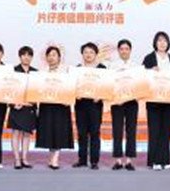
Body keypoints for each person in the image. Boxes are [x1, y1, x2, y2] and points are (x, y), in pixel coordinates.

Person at [142, 31, 170, 170]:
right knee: (154, 131)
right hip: (154, 101)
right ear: (155, 43)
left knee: (166, 131)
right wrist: (150, 70)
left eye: (164, 40)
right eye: (159, 40)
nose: (162, 43)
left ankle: (165, 160)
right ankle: (154, 161)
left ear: (168, 43)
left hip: (169, 100)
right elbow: (142, 76)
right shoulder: (149, 58)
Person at [35, 46, 74, 169]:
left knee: (59, 131)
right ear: (46, 57)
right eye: (49, 55)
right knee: (49, 131)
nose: (51, 57)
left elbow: (70, 88)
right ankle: (51, 157)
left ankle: (55, 159)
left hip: (61, 106)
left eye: (54, 55)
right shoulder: (42, 72)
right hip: (46, 105)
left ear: (59, 57)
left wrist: (68, 99)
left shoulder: (66, 72)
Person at [73, 42, 106, 170]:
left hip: (95, 105)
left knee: (94, 133)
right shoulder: (77, 69)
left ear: (96, 54)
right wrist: (75, 93)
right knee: (81, 133)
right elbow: (72, 86)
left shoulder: (102, 69)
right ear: (82, 54)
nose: (88, 55)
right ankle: (82, 159)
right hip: (80, 104)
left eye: (91, 52)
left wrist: (100, 95)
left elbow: (106, 86)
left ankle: (94, 161)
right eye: (86, 52)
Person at [8, 46, 38, 169]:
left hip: (29, 108)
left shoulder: (36, 72)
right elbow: (8, 89)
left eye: (29, 55)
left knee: (27, 134)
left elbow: (38, 90)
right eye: (24, 55)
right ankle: (16, 159)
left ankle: (24, 159)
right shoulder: (13, 71)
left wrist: (34, 101)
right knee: (16, 133)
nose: (26, 57)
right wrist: (13, 104)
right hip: (17, 107)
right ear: (20, 56)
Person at [110, 39, 138, 171]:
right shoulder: (112, 66)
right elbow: (109, 83)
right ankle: (118, 160)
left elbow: (139, 84)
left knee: (131, 131)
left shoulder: (136, 67)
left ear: (130, 51)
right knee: (117, 130)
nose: (124, 51)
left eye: (126, 49)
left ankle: (129, 160)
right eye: (121, 49)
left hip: (132, 101)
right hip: (117, 102)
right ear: (118, 51)